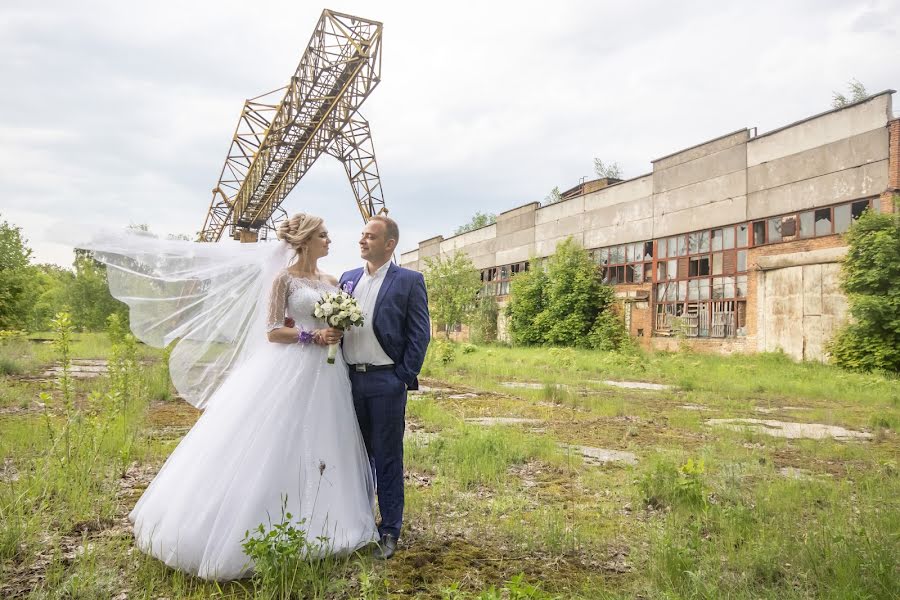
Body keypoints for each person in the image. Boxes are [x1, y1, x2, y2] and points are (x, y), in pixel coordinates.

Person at [84, 213, 378, 580]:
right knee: (275, 441)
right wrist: (312, 337)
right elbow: (272, 331)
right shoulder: (282, 280)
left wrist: (334, 333)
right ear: (304, 240)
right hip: (291, 367)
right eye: (323, 234)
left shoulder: (333, 281)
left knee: (327, 440)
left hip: (329, 374)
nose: (329, 239)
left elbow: (338, 326)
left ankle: (331, 522)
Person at [340, 215, 431, 560]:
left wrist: (402, 377)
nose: (362, 241)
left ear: (389, 244)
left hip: (385, 380)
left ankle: (390, 528)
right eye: (361, 235)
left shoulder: (409, 280)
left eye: (371, 237)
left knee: (387, 457)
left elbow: (419, 333)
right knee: (353, 456)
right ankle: (357, 522)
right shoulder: (348, 279)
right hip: (348, 381)